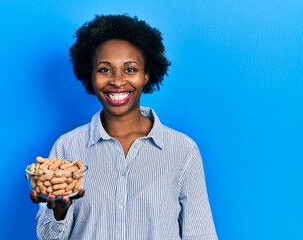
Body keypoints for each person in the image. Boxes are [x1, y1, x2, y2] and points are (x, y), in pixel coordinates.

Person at [30, 14, 218, 240]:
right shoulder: (67, 148)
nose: (118, 81)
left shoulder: (182, 151)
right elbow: (48, 237)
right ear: (91, 76)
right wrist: (59, 213)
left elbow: (201, 235)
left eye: (130, 69)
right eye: (104, 69)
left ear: (146, 75)